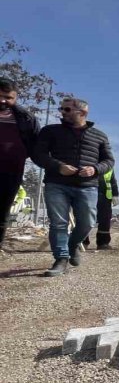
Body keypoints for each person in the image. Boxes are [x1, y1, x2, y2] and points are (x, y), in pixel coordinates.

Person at [32, 97, 114, 276]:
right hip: (57, 184)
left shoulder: (99, 136)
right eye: (62, 109)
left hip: (87, 186)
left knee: (87, 222)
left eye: (67, 109)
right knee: (59, 223)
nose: (62, 112)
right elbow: (38, 155)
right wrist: (58, 166)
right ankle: (60, 259)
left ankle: (72, 244)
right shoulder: (50, 131)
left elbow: (109, 161)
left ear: (82, 113)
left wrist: (94, 169)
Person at [0, 77, 40, 256]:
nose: (3, 101)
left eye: (8, 97)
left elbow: (36, 143)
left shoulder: (26, 118)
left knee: (2, 211)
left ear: (15, 97)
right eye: (0, 96)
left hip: (11, 170)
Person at [84, 169, 119, 249]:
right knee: (84, 218)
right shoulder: (88, 160)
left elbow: (113, 181)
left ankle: (103, 243)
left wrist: (115, 194)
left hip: (105, 197)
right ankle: (82, 241)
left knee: (105, 219)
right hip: (86, 194)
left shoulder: (109, 167)